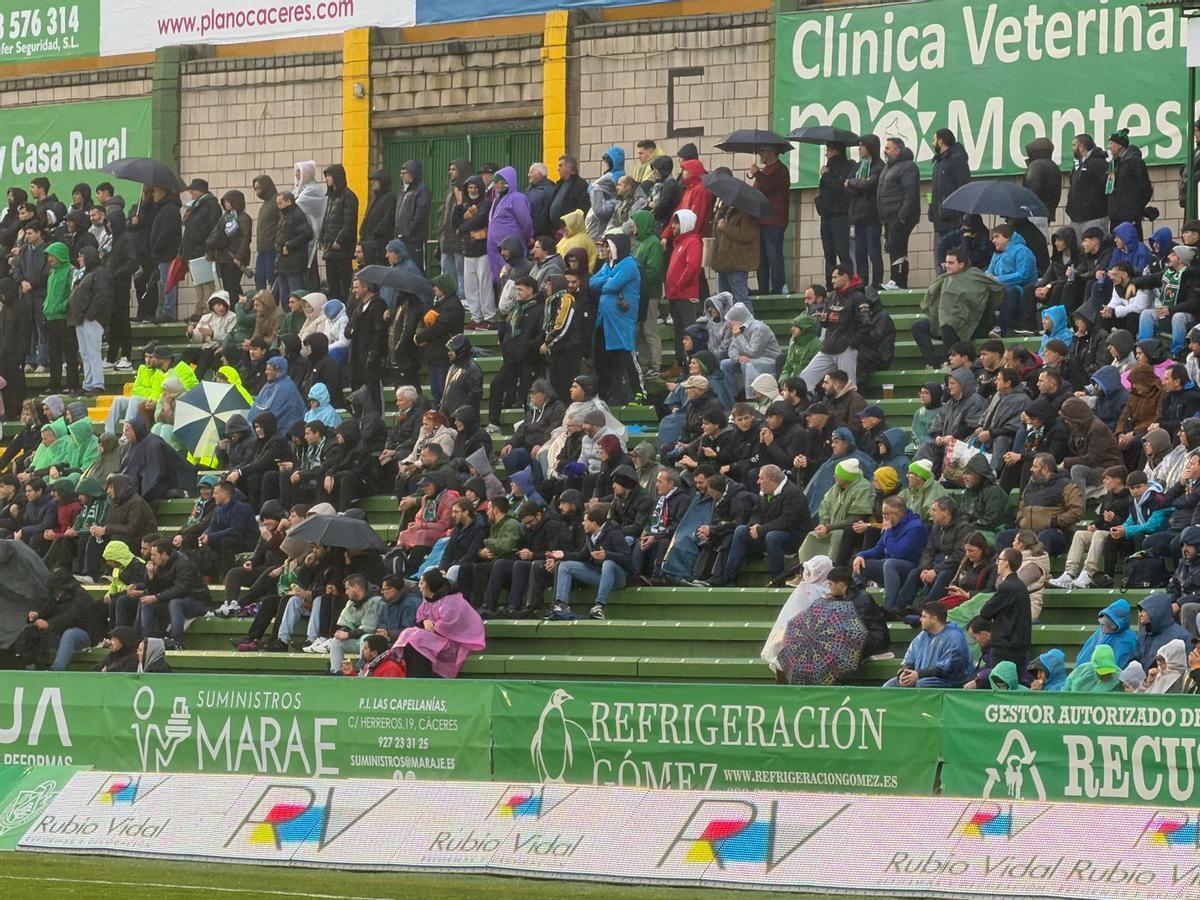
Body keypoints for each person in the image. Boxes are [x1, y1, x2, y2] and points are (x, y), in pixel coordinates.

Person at [913, 249, 1002, 369]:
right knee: (918, 327)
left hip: (966, 322)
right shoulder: (944, 278)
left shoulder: (974, 274)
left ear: (961, 264)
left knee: (947, 326)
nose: (947, 266)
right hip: (941, 320)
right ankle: (932, 363)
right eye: (946, 262)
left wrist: (985, 307)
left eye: (951, 263)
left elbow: (997, 288)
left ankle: (949, 362)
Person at [391, 568, 485, 678]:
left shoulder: (452, 602)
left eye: (422, 583)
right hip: (434, 637)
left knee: (415, 638)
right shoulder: (428, 600)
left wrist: (431, 626)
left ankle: (422, 678)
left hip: (454, 642)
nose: (419, 586)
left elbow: (444, 628)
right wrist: (425, 621)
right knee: (410, 638)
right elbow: (420, 617)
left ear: (429, 585)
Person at [549, 503, 632, 620]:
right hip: (599, 576)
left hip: (618, 578)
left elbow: (627, 558)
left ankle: (599, 606)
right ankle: (562, 606)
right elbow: (582, 556)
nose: (583, 523)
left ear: (594, 523)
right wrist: (564, 554)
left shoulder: (614, 533)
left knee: (608, 563)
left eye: (585, 521)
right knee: (565, 565)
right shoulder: (589, 536)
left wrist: (607, 555)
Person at [883, 601, 971, 688]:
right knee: (892, 684)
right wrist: (904, 672)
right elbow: (909, 660)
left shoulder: (954, 637)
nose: (920, 619)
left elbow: (945, 669)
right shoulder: (922, 636)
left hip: (948, 682)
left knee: (922, 684)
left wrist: (919, 675)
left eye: (924, 617)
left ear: (934, 619)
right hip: (920, 677)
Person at [800, 264, 861, 389]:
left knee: (847, 386)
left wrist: (852, 343)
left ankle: (853, 402)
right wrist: (824, 320)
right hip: (828, 347)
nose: (832, 281)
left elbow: (865, 324)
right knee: (806, 377)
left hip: (845, 349)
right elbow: (828, 319)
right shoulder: (832, 296)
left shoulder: (858, 297)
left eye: (835, 277)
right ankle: (806, 400)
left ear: (845, 277)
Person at [978, 547, 1033, 674]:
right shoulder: (1020, 585)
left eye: (1000, 559)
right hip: (1018, 645)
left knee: (1001, 681)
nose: (997, 563)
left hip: (1005, 646)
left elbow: (985, 612)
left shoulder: (1007, 587)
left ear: (1006, 563)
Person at [876, 136, 920, 289]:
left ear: (897, 150)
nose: (885, 151)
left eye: (888, 148)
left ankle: (897, 281)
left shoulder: (908, 167)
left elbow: (911, 194)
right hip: (889, 217)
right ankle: (898, 282)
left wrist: (902, 216)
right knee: (892, 247)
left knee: (897, 247)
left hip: (900, 216)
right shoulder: (887, 168)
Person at [844, 134, 884, 289]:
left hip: (872, 216)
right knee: (860, 254)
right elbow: (846, 184)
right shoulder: (859, 166)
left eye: (862, 146)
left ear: (871, 147)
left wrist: (853, 184)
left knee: (874, 253)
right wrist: (856, 184)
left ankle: (877, 283)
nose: (860, 149)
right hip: (857, 216)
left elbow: (869, 184)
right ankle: (862, 283)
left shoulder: (878, 166)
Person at [928, 128, 971, 262]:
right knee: (941, 261)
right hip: (939, 220)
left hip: (953, 221)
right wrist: (931, 207)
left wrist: (961, 214)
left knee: (955, 260)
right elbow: (934, 191)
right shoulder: (938, 163)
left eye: (934, 139)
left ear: (941, 141)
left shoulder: (956, 159)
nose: (933, 143)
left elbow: (964, 186)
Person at [751, 145, 790, 294]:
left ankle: (778, 288)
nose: (760, 154)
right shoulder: (765, 171)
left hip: (774, 221)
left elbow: (770, 186)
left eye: (762, 151)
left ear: (772, 152)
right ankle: (763, 289)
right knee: (761, 259)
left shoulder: (781, 170)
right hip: (762, 220)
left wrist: (757, 174)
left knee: (774, 257)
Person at [988, 225, 1039, 335]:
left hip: (1021, 290)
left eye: (996, 236)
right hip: (999, 288)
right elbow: (989, 272)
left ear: (1007, 237)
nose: (993, 240)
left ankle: (1000, 328)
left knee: (1010, 291)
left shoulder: (1023, 251)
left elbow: (1023, 275)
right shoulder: (996, 254)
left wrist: (997, 279)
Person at [1106, 128, 1153, 239]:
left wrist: (1134, 209)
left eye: (1112, 144)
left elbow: (1145, 188)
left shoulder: (1135, 162)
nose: (1109, 147)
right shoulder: (1113, 164)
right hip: (1115, 216)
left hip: (1129, 216)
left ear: (1120, 145)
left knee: (1131, 242)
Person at [273, 191, 314, 300]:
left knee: (295, 294)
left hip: (294, 261)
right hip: (283, 262)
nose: (278, 206)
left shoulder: (297, 215)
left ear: (289, 201)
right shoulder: (283, 215)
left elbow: (307, 234)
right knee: (284, 296)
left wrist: (289, 245)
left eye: (280, 203)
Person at [1076, 598, 1138, 670]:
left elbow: (1117, 667)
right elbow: (1085, 654)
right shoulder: (1100, 632)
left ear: (1117, 624)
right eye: (1102, 623)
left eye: (1109, 624)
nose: (1104, 627)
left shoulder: (1127, 639)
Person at [1067, 134, 1109, 238]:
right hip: (1076, 217)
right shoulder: (1078, 164)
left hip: (1094, 217)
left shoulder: (1099, 163)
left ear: (1081, 147)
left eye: (1074, 145)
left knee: (1094, 246)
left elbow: (1104, 188)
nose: (1072, 149)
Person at [392, 159, 431, 272]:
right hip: (401, 239)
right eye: (401, 173)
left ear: (413, 173)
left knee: (416, 269)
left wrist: (409, 230)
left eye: (405, 173)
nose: (401, 176)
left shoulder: (422, 190)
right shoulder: (403, 191)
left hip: (415, 239)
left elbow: (420, 214)